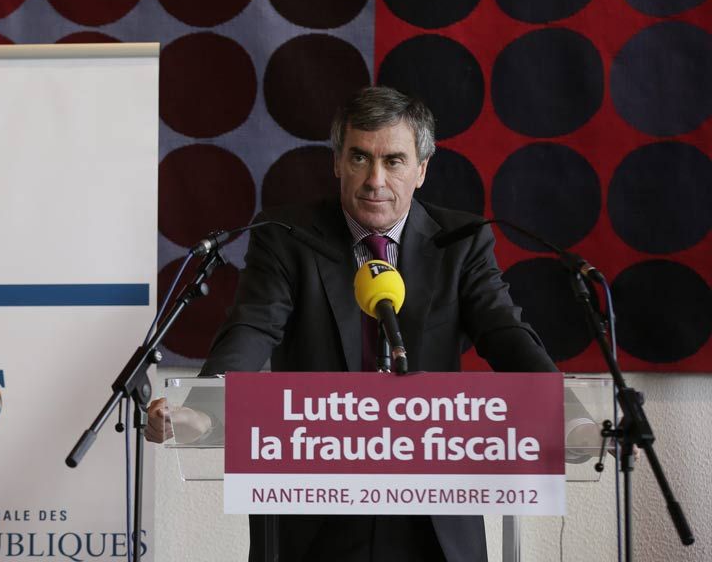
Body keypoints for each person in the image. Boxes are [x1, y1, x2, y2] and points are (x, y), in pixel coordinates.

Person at [147, 86, 560, 561]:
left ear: (422, 169)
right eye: (360, 158)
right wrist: (204, 407)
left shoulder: (461, 242)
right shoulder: (286, 237)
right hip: (313, 506)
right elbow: (252, 328)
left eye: (394, 161)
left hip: (431, 509)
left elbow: (503, 331)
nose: (375, 180)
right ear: (337, 163)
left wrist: (566, 410)